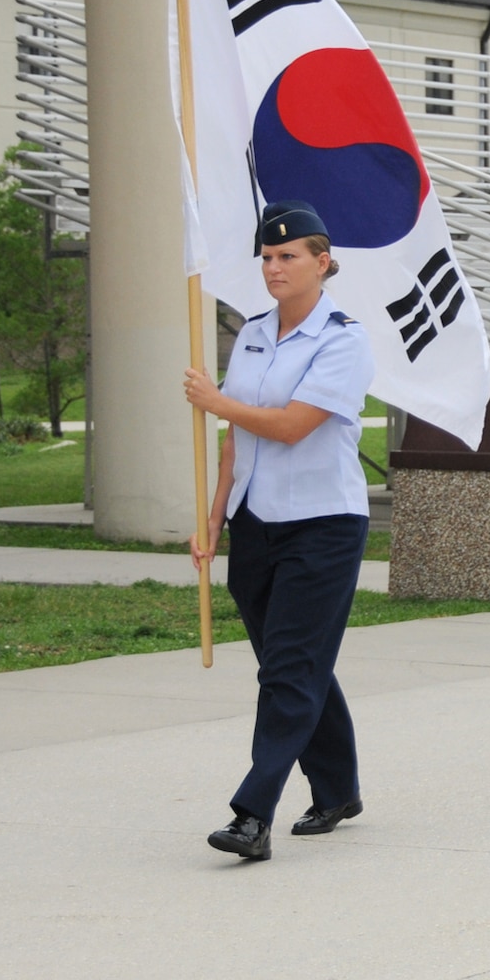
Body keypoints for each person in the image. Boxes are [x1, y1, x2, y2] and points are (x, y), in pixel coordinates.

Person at [184, 201, 376, 862]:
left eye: (288, 256)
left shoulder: (343, 339)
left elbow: (294, 425)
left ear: (322, 262)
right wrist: (212, 522)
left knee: (289, 671)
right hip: (256, 525)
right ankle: (339, 786)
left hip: (322, 525)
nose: (273, 267)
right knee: (294, 665)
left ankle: (252, 812)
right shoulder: (255, 334)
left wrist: (217, 401)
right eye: (266, 256)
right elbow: (237, 442)